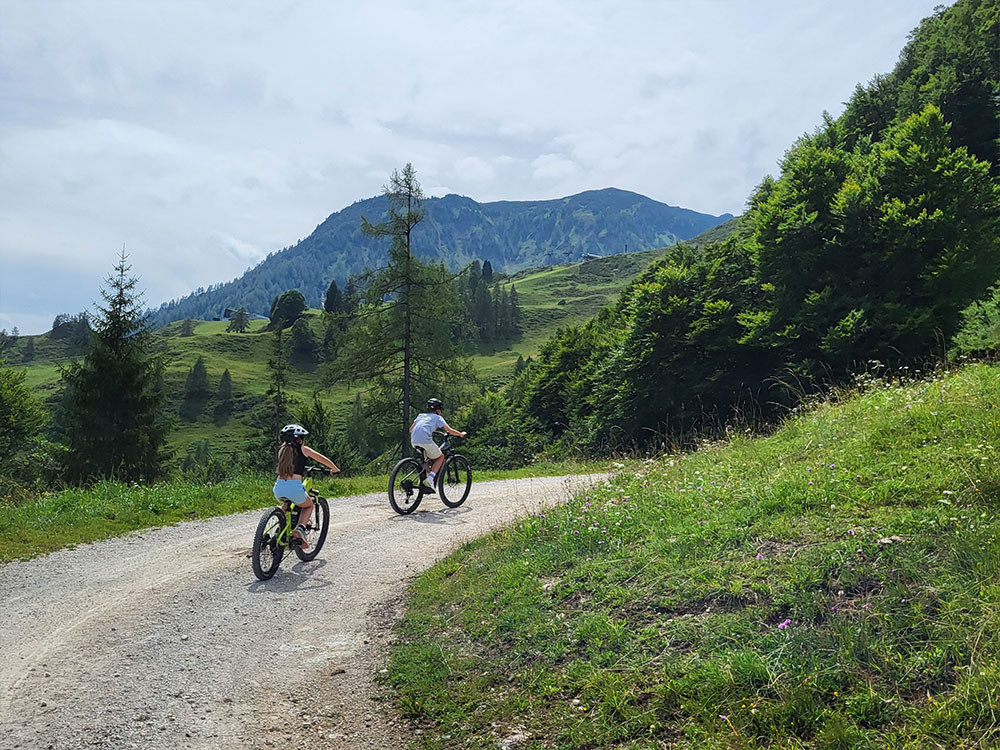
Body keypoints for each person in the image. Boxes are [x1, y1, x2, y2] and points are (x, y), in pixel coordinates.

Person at [274, 424, 339, 549]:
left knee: (287, 504)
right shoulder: (305, 450)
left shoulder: (282, 451)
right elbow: (323, 459)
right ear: (301, 439)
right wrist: (334, 469)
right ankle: (300, 530)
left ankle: (279, 529)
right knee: (309, 505)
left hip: (278, 487)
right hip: (294, 489)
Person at [409, 398, 466, 490]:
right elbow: (450, 430)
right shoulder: (438, 418)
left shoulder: (421, 416)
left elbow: (411, 429)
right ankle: (430, 479)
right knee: (440, 457)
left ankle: (423, 480)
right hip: (425, 440)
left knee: (426, 460)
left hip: (414, 440)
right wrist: (460, 434)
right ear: (438, 410)